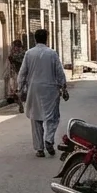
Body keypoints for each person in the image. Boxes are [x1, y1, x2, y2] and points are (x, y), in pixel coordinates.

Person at [19, 29, 68, 157]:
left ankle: (39, 149)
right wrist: (64, 86)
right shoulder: (52, 53)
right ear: (46, 38)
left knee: (36, 118)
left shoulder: (29, 54)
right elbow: (59, 72)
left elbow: (22, 73)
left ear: (35, 39)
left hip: (34, 89)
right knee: (52, 117)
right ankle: (49, 139)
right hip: (50, 89)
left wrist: (20, 89)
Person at [6, 40, 26, 110]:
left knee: (20, 91)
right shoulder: (15, 53)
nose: (14, 48)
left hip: (22, 75)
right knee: (14, 92)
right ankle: (20, 103)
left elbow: (16, 59)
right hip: (16, 73)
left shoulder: (23, 53)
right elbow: (11, 62)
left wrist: (12, 57)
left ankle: (21, 104)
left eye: (15, 46)